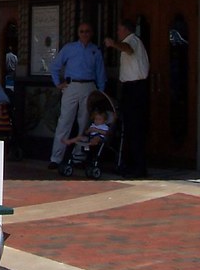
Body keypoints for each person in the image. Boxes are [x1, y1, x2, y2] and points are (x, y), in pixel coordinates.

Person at [48, 23, 106, 171]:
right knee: (64, 121)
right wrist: (57, 83)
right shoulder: (69, 48)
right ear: (78, 33)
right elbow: (54, 66)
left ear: (91, 33)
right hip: (71, 85)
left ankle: (78, 156)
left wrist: (100, 91)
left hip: (89, 86)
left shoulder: (95, 50)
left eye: (87, 31)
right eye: (82, 31)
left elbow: (100, 72)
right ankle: (56, 158)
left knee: (84, 122)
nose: (84, 34)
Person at [104, 19, 150, 178]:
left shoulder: (133, 41)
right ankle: (129, 164)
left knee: (135, 128)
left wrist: (113, 44)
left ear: (126, 30)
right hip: (129, 88)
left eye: (119, 30)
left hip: (135, 88)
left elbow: (128, 49)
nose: (117, 33)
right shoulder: (131, 41)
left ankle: (139, 167)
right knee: (129, 128)